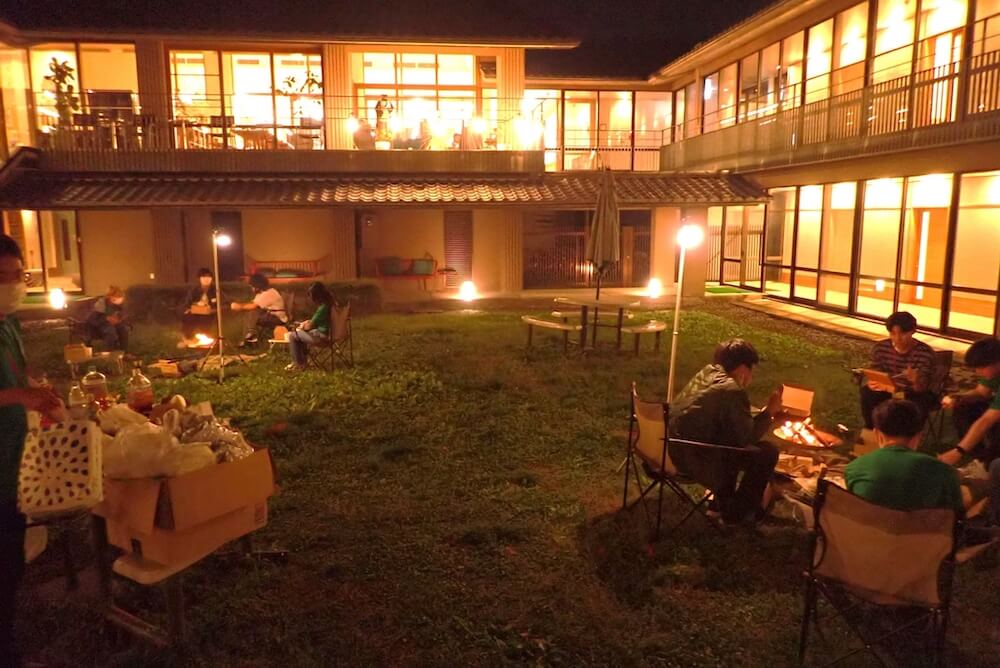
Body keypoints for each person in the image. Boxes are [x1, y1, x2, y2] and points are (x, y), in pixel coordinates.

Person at [0, 234, 63, 667]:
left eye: (16, 275)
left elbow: (17, 376)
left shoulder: (9, 324)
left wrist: (37, 392)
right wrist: (20, 396)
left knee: (10, 565)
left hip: (11, 463)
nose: (10, 285)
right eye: (0, 276)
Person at [668, 339, 783, 525]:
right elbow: (747, 438)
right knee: (766, 452)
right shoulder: (732, 390)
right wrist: (769, 412)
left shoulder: (706, 374)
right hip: (694, 460)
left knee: (728, 438)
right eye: (751, 369)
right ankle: (738, 514)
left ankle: (720, 504)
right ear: (743, 368)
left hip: (670, 448)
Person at [846, 399, 963, 512]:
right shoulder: (943, 472)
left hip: (870, 525)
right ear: (919, 436)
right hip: (921, 526)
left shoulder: (854, 468)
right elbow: (955, 516)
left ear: (877, 434)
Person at [938, 337, 1000, 529]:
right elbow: (981, 392)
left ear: (996, 362)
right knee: (963, 407)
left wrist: (958, 451)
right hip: (993, 411)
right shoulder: (993, 370)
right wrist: (958, 398)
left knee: (995, 426)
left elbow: (986, 420)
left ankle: (987, 464)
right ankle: (981, 460)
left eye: (981, 368)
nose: (978, 372)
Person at [859, 311, 937, 429]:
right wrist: (874, 381)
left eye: (903, 333)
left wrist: (916, 380)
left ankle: (908, 434)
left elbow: (923, 388)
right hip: (887, 388)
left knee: (921, 402)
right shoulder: (880, 348)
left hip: (911, 392)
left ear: (913, 331)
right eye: (893, 333)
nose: (897, 338)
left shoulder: (924, 353)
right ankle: (873, 430)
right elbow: (876, 371)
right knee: (867, 393)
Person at [285, 282, 333, 372]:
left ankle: (298, 364)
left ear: (316, 296)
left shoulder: (323, 308)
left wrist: (302, 326)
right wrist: (308, 323)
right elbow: (318, 321)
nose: (310, 298)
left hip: (322, 338)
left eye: (310, 295)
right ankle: (303, 362)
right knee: (300, 335)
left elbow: (309, 327)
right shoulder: (331, 305)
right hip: (332, 335)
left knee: (293, 335)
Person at [231, 273, 287, 348]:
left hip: (277, 318)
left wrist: (238, 306)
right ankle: (249, 336)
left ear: (257, 286)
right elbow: (252, 303)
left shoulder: (269, 293)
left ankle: (249, 337)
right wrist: (241, 306)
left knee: (252, 312)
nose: (251, 288)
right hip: (270, 315)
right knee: (249, 313)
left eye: (252, 286)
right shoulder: (261, 294)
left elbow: (253, 306)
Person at [179, 268, 219, 347]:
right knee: (188, 318)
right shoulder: (194, 290)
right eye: (203, 277)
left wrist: (213, 309)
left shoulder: (215, 290)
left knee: (205, 320)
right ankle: (187, 339)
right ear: (199, 279)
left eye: (209, 277)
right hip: (196, 312)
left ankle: (206, 341)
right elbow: (187, 303)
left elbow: (222, 303)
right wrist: (191, 308)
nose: (206, 279)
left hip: (210, 313)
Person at [85, 285, 128, 351]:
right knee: (110, 332)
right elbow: (93, 320)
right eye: (116, 297)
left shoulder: (118, 305)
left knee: (123, 329)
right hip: (100, 324)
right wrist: (106, 318)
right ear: (111, 297)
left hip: (112, 323)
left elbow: (121, 314)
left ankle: (123, 351)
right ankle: (109, 351)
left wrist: (119, 319)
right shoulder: (101, 304)